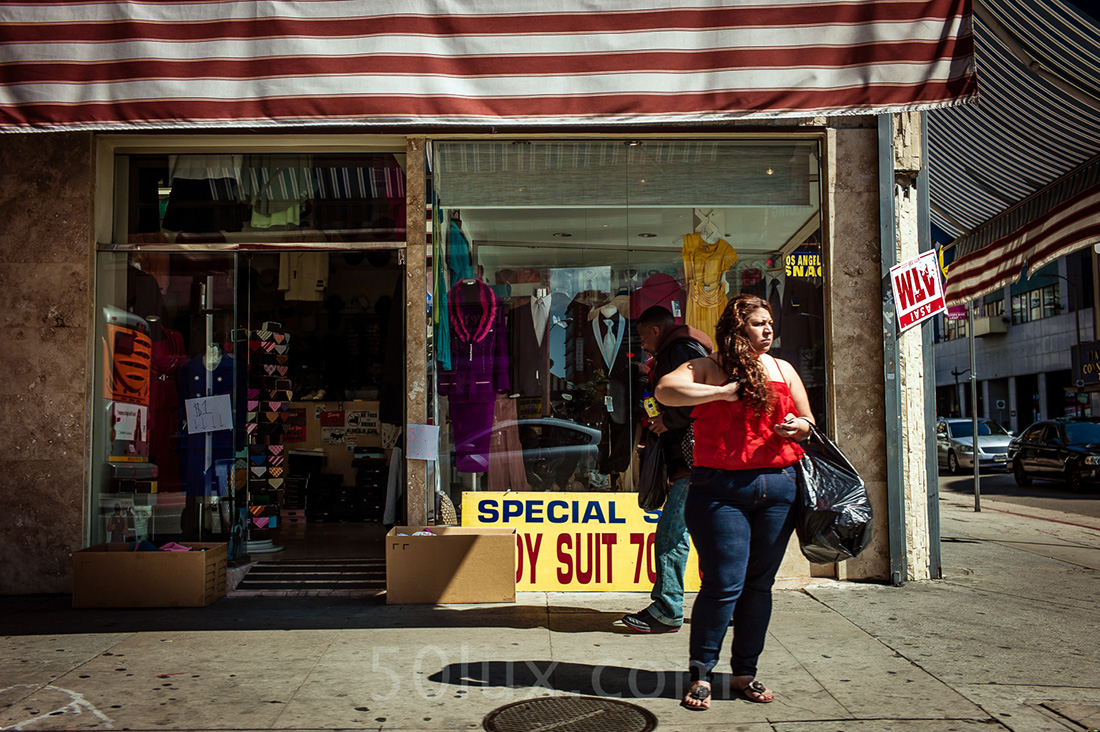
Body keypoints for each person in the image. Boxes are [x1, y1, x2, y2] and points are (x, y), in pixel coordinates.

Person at [655, 293, 814, 710]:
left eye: (770, 322)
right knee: (724, 584)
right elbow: (666, 390)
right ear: (739, 326)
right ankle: (702, 672)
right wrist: (722, 394)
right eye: (759, 322)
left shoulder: (783, 368)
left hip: (778, 489)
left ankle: (745, 672)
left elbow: (808, 420)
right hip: (720, 492)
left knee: (759, 587)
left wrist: (799, 426)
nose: (769, 329)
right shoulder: (711, 367)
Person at [621, 306, 713, 634]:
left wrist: (666, 420)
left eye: (644, 336)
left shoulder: (681, 350)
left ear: (656, 331)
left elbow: (697, 396)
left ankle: (667, 608)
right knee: (701, 535)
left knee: (672, 533)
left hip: (693, 460)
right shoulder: (678, 350)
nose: (642, 343)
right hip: (694, 461)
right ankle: (727, 602)